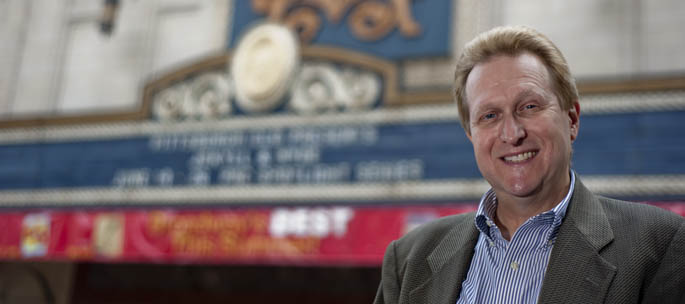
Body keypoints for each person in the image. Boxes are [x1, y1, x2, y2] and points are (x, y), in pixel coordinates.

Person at [374, 26, 685, 304]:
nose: (512, 134)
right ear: (471, 135)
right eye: (490, 116)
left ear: (572, 119)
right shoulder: (409, 259)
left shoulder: (659, 245)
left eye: (529, 106)